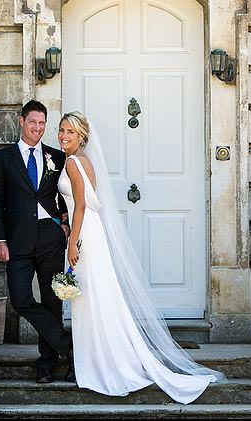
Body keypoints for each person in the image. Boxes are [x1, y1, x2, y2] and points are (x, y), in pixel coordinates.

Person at [56, 111, 224, 404]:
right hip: (90, 231)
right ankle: (102, 358)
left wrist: (72, 242)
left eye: (70, 131)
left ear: (82, 136)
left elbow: (80, 205)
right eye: (61, 130)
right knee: (97, 297)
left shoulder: (73, 162)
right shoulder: (84, 160)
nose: (63, 136)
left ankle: (99, 365)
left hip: (84, 234)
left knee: (91, 299)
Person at [0, 100, 75, 384]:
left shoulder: (56, 158)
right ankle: (68, 346)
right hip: (17, 240)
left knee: (52, 301)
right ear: (21, 121)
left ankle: (46, 366)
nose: (37, 128)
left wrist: (65, 225)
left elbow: (66, 195)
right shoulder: (2, 159)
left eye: (42, 123)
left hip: (50, 238)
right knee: (21, 299)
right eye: (33, 122)